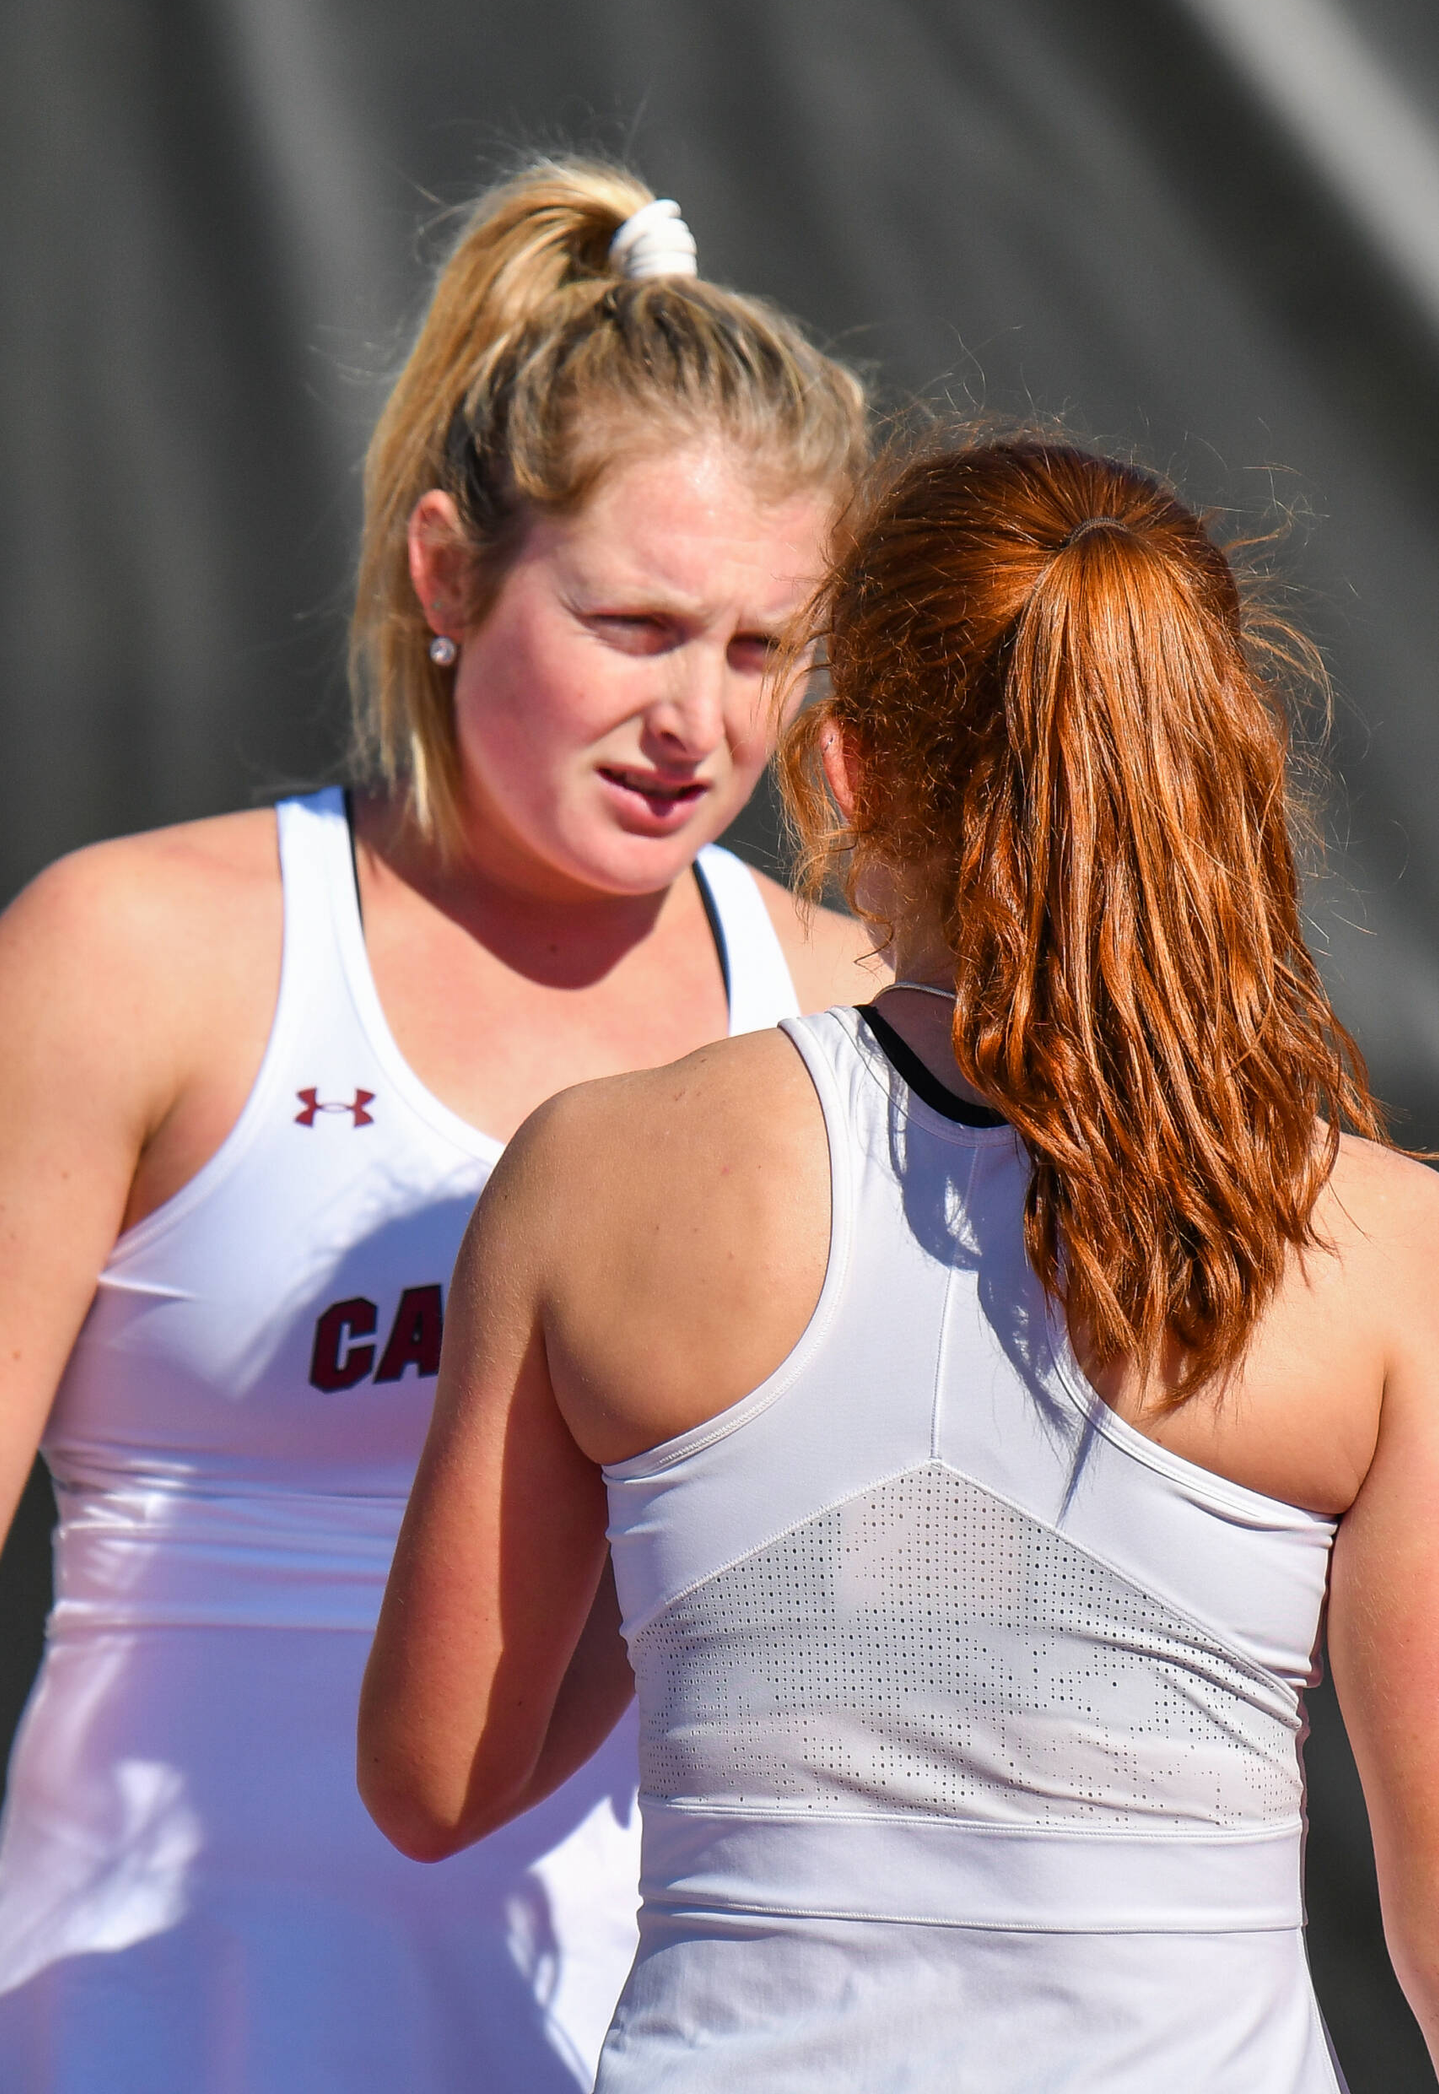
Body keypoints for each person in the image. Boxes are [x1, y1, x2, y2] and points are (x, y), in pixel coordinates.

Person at [360, 435, 1439, 2092]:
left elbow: (434, 1780)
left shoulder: (593, 1177)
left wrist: (694, 1552)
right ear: (1203, 760)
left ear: (843, 767)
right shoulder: (1378, 1252)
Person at [0, 158, 875, 2092]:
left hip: (667, 2043)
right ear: (446, 576)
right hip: (148, 2025)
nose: (699, 725)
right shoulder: (134, 954)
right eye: (637, 624)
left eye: (759, 650)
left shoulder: (841, 1002)